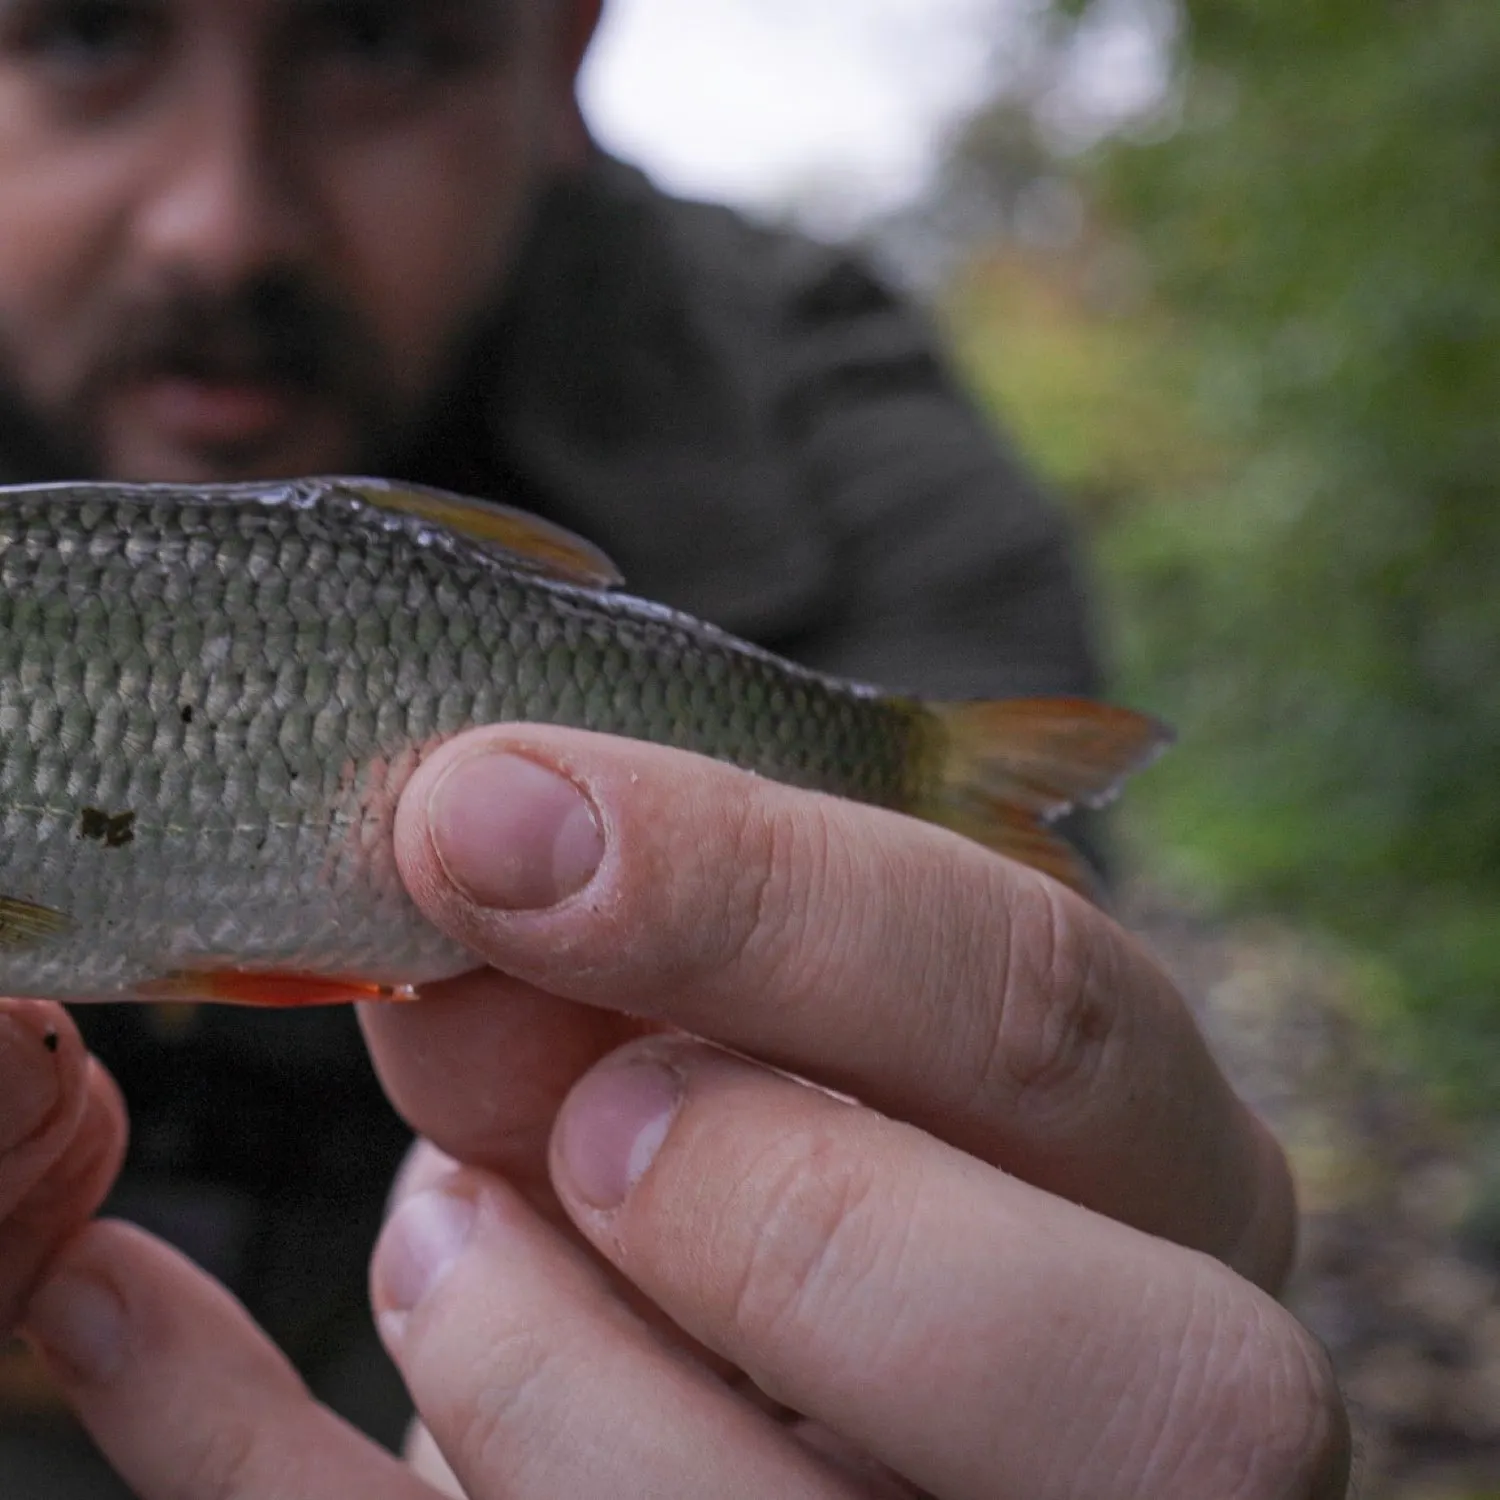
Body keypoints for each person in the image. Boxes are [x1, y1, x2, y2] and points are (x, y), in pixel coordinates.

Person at [0, 0, 1351, 1495]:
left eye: (381, 38)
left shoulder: (845, 441)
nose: (220, 221)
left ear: (569, 46)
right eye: (79, 33)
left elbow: (1039, 1028)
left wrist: (987, 1238)